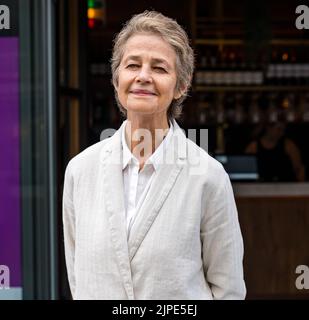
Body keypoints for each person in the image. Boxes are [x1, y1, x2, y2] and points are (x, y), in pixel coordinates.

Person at [63, 11, 246, 300]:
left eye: (159, 68)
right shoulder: (80, 171)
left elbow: (229, 290)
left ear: (181, 86)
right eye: (132, 65)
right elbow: (79, 278)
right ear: (116, 79)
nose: (143, 76)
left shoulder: (207, 177)